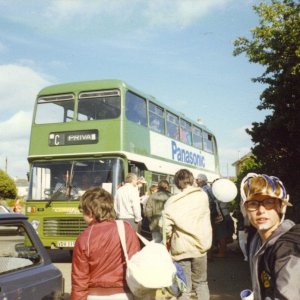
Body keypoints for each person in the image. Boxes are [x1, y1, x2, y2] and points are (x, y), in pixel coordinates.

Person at [71, 187, 141, 300]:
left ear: (90, 212)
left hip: (94, 295)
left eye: (82, 211)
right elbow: (136, 262)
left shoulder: (84, 238)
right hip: (124, 294)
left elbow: (79, 280)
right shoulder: (126, 228)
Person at [240, 173, 300, 300]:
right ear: (245, 209)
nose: (261, 210)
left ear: (281, 206)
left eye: (269, 202)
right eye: (253, 203)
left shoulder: (287, 248)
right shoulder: (257, 240)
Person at [161, 169, 212, 300]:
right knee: (201, 283)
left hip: (181, 248)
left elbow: (164, 227)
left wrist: (167, 238)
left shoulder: (172, 201)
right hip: (201, 246)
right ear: (191, 179)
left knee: (184, 288)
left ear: (177, 182)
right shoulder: (202, 196)